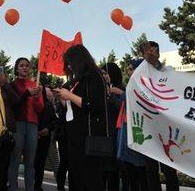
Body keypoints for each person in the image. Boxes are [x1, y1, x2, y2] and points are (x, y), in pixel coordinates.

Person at [54, 45, 108, 191]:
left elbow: (94, 105)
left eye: (70, 62)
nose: (69, 67)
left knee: (89, 179)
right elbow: (76, 107)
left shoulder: (95, 76)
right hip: (74, 136)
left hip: (88, 137)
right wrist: (63, 99)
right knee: (76, 177)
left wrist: (69, 95)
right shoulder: (78, 80)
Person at [139, 41, 179, 191]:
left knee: (169, 169)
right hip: (149, 128)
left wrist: (155, 64)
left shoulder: (168, 70)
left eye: (152, 51)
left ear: (158, 52)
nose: (149, 54)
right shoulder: (139, 74)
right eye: (146, 52)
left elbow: (172, 87)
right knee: (151, 170)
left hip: (166, 128)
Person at [8, 57, 44, 191]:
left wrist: (36, 97)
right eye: (21, 65)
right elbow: (12, 105)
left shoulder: (36, 85)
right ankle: (13, 188)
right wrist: (26, 94)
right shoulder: (12, 85)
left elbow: (40, 109)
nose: (24, 68)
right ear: (17, 68)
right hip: (17, 124)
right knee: (15, 160)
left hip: (33, 125)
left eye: (27, 66)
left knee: (30, 162)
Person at [117, 59, 149, 191]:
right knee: (131, 172)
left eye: (131, 69)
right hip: (128, 131)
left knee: (140, 172)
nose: (128, 72)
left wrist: (120, 94)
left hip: (140, 132)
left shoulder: (145, 85)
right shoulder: (131, 84)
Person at [101, 63, 124, 191]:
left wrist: (112, 95)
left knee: (114, 172)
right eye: (102, 74)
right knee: (103, 172)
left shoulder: (121, 90)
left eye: (105, 73)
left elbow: (123, 108)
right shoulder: (99, 90)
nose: (103, 76)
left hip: (117, 136)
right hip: (103, 137)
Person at [33, 84, 55, 191]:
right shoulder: (30, 102)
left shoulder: (49, 105)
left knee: (40, 164)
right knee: (31, 162)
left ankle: (37, 186)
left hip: (44, 138)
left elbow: (54, 121)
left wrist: (48, 129)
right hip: (32, 136)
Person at [53, 81, 69, 191]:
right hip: (64, 136)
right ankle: (60, 187)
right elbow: (63, 117)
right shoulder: (59, 103)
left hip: (74, 136)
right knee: (64, 162)